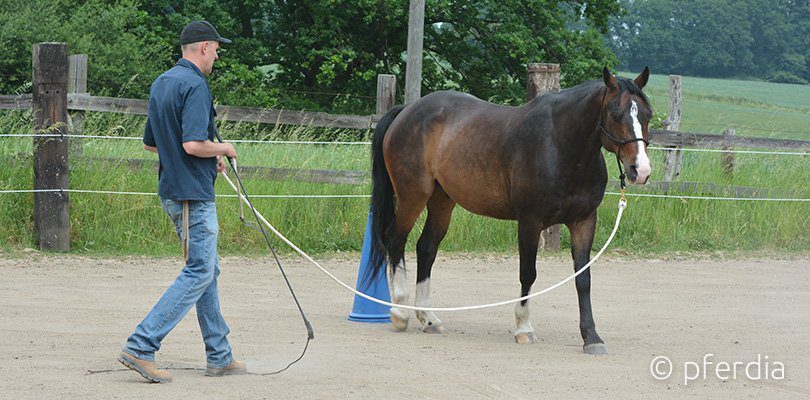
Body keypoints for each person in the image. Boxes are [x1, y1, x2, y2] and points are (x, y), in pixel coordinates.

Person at [118, 20, 245, 383]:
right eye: (217, 49)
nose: (217, 56)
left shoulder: (162, 82)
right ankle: (141, 345)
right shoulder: (195, 85)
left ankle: (219, 355)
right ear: (204, 47)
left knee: (208, 270)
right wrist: (223, 148)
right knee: (200, 271)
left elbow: (152, 143)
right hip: (193, 194)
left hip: (173, 189)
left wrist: (206, 154)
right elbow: (192, 143)